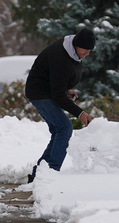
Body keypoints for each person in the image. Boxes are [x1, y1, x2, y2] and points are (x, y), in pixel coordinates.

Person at [24, 27, 97, 183]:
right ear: (77, 44)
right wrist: (80, 113)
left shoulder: (74, 52)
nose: (87, 53)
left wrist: (65, 89)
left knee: (60, 130)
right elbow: (57, 95)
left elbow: (57, 81)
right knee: (64, 128)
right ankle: (50, 173)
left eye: (90, 50)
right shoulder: (61, 57)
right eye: (85, 50)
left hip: (47, 91)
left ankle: (40, 174)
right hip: (39, 93)